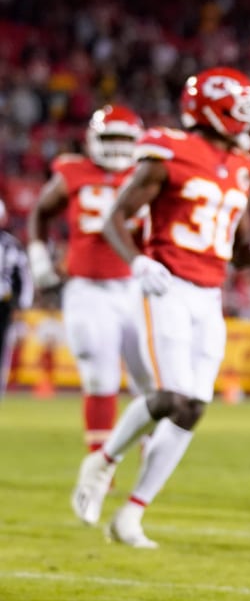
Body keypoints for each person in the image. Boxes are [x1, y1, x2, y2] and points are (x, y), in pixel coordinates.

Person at [70, 66, 250, 548]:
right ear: (213, 111)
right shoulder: (168, 151)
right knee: (170, 395)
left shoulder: (241, 168)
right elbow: (115, 219)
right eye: (242, 111)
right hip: (166, 286)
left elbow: (241, 254)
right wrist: (136, 262)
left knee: (193, 408)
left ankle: (132, 515)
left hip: (208, 293)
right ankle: (104, 461)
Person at [26, 105, 150, 442]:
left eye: (124, 139)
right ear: (93, 139)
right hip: (88, 288)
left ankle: (147, 464)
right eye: (110, 138)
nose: (116, 147)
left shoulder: (148, 174)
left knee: (150, 382)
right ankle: (99, 470)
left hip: (136, 286)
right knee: (99, 377)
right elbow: (40, 212)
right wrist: (39, 257)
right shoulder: (74, 171)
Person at [0, 198, 33, 401]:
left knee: (2, 346)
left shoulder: (12, 245)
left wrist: (22, 303)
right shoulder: (12, 244)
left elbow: (24, 276)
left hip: (3, 303)